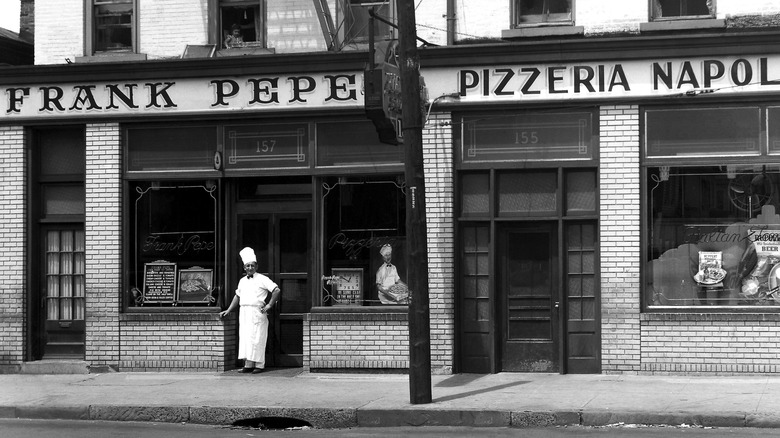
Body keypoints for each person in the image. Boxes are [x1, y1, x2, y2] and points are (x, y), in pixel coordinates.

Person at [220, 247, 281, 373]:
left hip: (257, 312)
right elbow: (237, 296)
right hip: (244, 312)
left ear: (256, 266)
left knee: (257, 338)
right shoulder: (242, 281)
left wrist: (269, 305)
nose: (250, 268)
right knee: (246, 338)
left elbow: (276, 290)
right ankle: (248, 364)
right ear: (244, 267)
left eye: (252, 265)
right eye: (247, 266)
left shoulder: (262, 278)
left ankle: (259, 365)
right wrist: (229, 310)